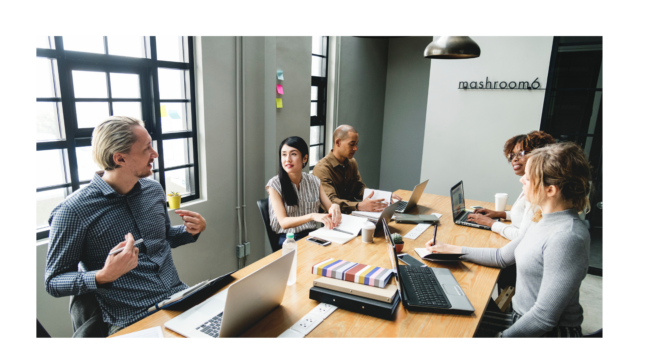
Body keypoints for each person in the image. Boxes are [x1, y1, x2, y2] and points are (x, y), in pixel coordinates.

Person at [45, 116, 206, 336]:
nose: (155, 154)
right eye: (146, 148)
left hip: (179, 298)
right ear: (120, 158)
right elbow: (53, 281)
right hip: (132, 320)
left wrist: (189, 232)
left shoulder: (154, 190)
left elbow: (161, 239)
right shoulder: (73, 211)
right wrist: (103, 276)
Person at [426, 142, 592, 337]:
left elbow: (543, 319)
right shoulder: (540, 218)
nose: (522, 181)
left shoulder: (567, 237)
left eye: (528, 178)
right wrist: (451, 249)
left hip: (547, 333)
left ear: (551, 190)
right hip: (520, 317)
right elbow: (501, 256)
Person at [467, 131, 555, 240]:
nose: (514, 159)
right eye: (512, 155)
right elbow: (525, 217)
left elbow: (522, 237)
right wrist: (499, 214)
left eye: (521, 153)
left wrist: (490, 223)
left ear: (539, 156)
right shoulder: (529, 183)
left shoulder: (538, 191)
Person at [266, 136, 342, 247]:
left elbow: (330, 207)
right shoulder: (274, 185)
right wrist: (312, 216)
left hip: (312, 235)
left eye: (293, 154)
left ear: (305, 158)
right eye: (284, 154)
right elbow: (283, 222)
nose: (287, 159)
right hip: (288, 239)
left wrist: (334, 207)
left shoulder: (314, 181)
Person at [312, 125, 402, 214]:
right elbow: (331, 202)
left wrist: (384, 197)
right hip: (333, 219)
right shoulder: (322, 169)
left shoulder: (352, 162)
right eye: (352, 144)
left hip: (354, 213)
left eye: (356, 144)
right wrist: (359, 206)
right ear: (338, 142)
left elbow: (358, 188)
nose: (356, 148)